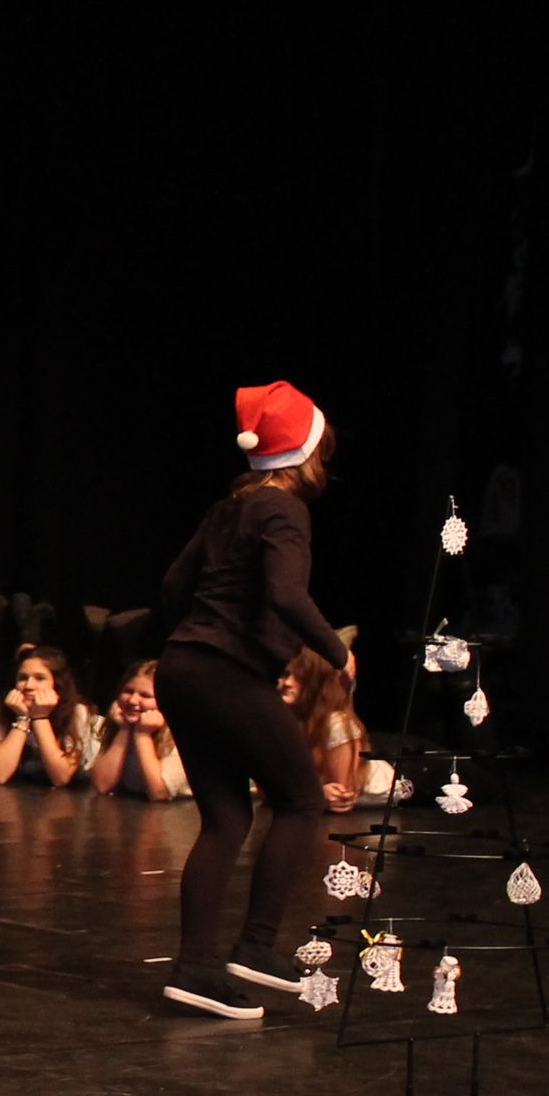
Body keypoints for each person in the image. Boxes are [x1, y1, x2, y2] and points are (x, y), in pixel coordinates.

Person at [151, 381, 353, 1020]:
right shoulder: (284, 509)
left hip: (182, 668)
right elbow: (288, 594)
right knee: (300, 799)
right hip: (225, 673)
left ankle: (196, 968)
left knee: (227, 817)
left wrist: (199, 635)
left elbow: (174, 584)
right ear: (308, 453)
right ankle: (257, 947)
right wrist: (338, 653)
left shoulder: (228, 508)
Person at [0, 645, 98, 787]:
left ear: (57, 684)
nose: (28, 686)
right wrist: (22, 719)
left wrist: (40, 718)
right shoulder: (7, 710)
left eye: (40, 678)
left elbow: (61, 778)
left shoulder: (77, 712)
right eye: (23, 678)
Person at [280, 646, 367, 813]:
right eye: (284, 674)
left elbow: (342, 797)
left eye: (299, 677)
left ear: (316, 681)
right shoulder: (285, 720)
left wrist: (313, 795)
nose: (287, 683)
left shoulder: (336, 724)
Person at [90, 659, 191, 800]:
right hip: (133, 809)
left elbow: (159, 793)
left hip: (180, 810)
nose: (132, 700)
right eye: (128, 691)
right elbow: (102, 785)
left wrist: (143, 735)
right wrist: (124, 729)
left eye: (145, 695)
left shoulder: (184, 734)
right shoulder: (118, 725)